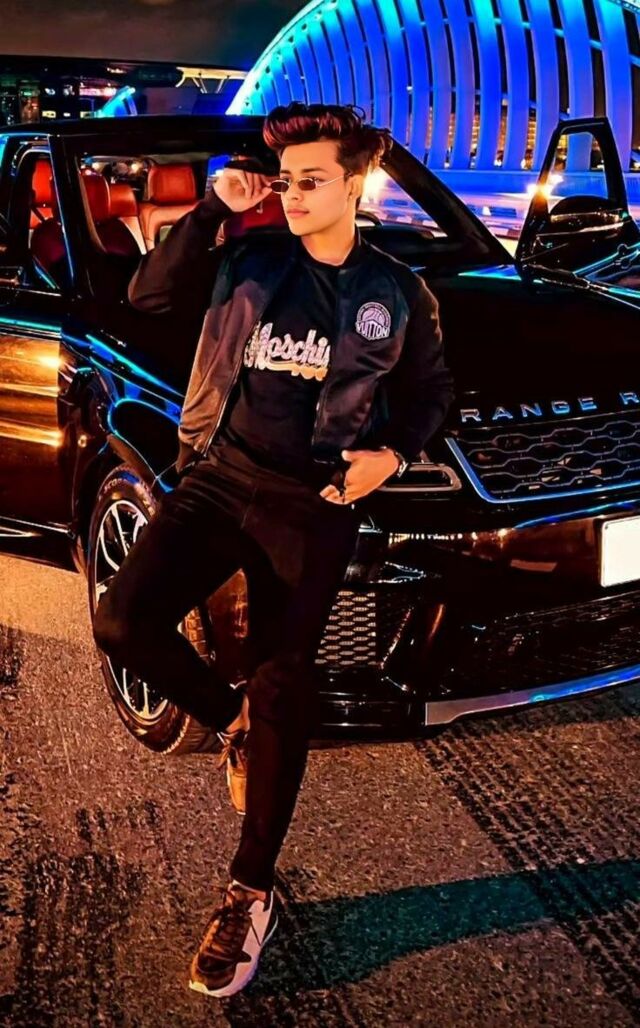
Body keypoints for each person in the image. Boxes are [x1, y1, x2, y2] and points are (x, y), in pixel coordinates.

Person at [91, 101, 455, 999]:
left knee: (284, 678)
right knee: (122, 620)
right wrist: (212, 210)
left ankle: (248, 893)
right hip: (220, 478)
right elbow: (148, 297)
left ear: (356, 184)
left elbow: (431, 394)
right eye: (286, 181)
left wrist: (392, 454)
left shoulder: (396, 292)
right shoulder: (250, 260)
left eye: (312, 181)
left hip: (313, 501)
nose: (292, 196)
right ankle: (234, 725)